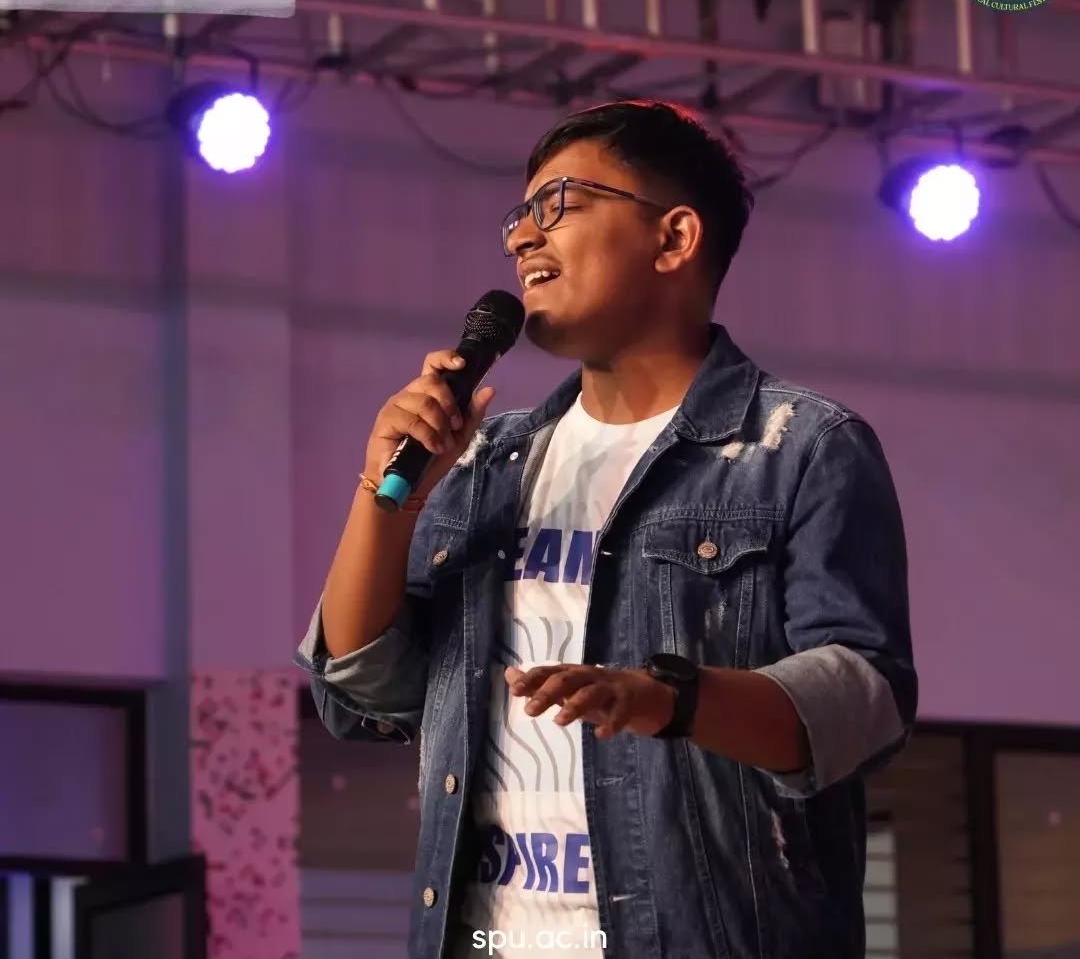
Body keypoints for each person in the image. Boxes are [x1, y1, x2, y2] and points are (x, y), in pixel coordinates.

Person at [297, 100, 917, 959]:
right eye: (520, 215)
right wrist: (385, 494)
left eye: (562, 204)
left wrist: (672, 700)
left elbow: (863, 699)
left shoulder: (800, 447)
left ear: (675, 238)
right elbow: (362, 689)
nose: (523, 238)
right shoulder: (488, 462)